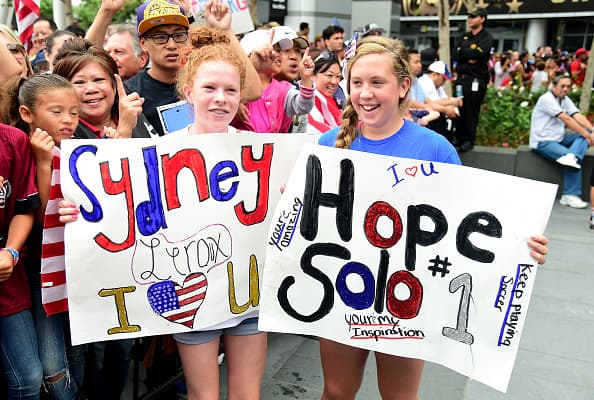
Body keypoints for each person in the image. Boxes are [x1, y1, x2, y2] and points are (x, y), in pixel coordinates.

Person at [316, 34, 550, 400]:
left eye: (377, 83)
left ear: (403, 86)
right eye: (357, 83)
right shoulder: (328, 143)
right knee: (336, 392)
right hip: (345, 292)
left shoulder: (435, 149)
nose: (365, 93)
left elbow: (468, 221)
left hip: (407, 298)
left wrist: (520, 244)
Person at [2, 74, 81, 399]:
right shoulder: (24, 146)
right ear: (26, 113)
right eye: (57, 111)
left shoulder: (79, 148)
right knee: (44, 369)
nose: (68, 120)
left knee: (63, 363)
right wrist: (44, 161)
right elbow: (43, 212)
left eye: (74, 112)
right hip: (32, 271)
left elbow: (43, 211)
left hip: (59, 270)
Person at [125, 0, 262, 136]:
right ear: (143, 43)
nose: (171, 45)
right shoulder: (131, 92)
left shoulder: (209, 75)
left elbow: (253, 91)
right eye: (160, 37)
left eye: (178, 36)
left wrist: (225, 30)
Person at [0, 122, 43, 399]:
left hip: (7, 280)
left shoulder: (12, 140)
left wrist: (11, 251)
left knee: (29, 377)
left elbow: (24, 208)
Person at [53, 38, 153, 140]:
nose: (91, 89)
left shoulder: (130, 111)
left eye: (98, 80)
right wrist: (125, 129)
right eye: (79, 82)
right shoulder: (63, 132)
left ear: (114, 85)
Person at [529, 73, 593, 209]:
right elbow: (567, 119)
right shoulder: (546, 99)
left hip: (559, 138)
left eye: (568, 86)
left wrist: (592, 131)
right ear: (554, 86)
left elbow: (577, 116)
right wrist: (588, 136)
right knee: (575, 160)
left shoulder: (564, 99)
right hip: (543, 141)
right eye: (562, 86)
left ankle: (572, 156)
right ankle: (570, 194)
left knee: (578, 148)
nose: (565, 89)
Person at [237, 26, 314, 133]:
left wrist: (306, 79)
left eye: (297, 50)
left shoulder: (284, 89)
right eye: (277, 50)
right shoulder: (234, 87)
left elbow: (304, 106)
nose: (276, 54)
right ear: (250, 55)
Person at [453, 7, 493, 152]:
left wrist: (467, 54)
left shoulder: (486, 37)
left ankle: (468, 140)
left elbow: (477, 55)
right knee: (459, 107)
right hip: (461, 78)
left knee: (471, 110)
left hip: (475, 79)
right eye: (469, 16)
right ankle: (458, 138)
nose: (470, 19)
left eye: (473, 16)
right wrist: (467, 55)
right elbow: (456, 54)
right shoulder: (464, 36)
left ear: (482, 19)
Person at [307, 50, 342, 134]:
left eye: (338, 76)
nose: (334, 81)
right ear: (312, 75)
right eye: (329, 75)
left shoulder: (337, 99)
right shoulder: (307, 102)